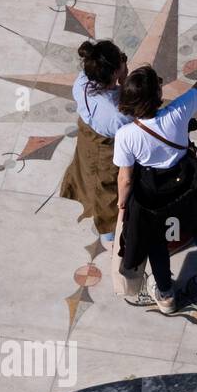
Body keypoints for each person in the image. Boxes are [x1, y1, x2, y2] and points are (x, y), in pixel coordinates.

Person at [113, 30, 197, 313]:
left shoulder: (126, 135)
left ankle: (165, 295)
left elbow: (126, 177)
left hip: (151, 193)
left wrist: (122, 203)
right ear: (158, 95)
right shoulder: (179, 111)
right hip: (186, 181)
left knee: (155, 243)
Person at [59, 40, 131, 243]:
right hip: (106, 149)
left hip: (86, 136)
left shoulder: (82, 81)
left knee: (85, 173)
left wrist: (119, 75)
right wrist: (125, 81)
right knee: (106, 189)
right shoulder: (117, 112)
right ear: (115, 71)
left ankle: (86, 200)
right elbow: (134, 121)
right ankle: (108, 230)